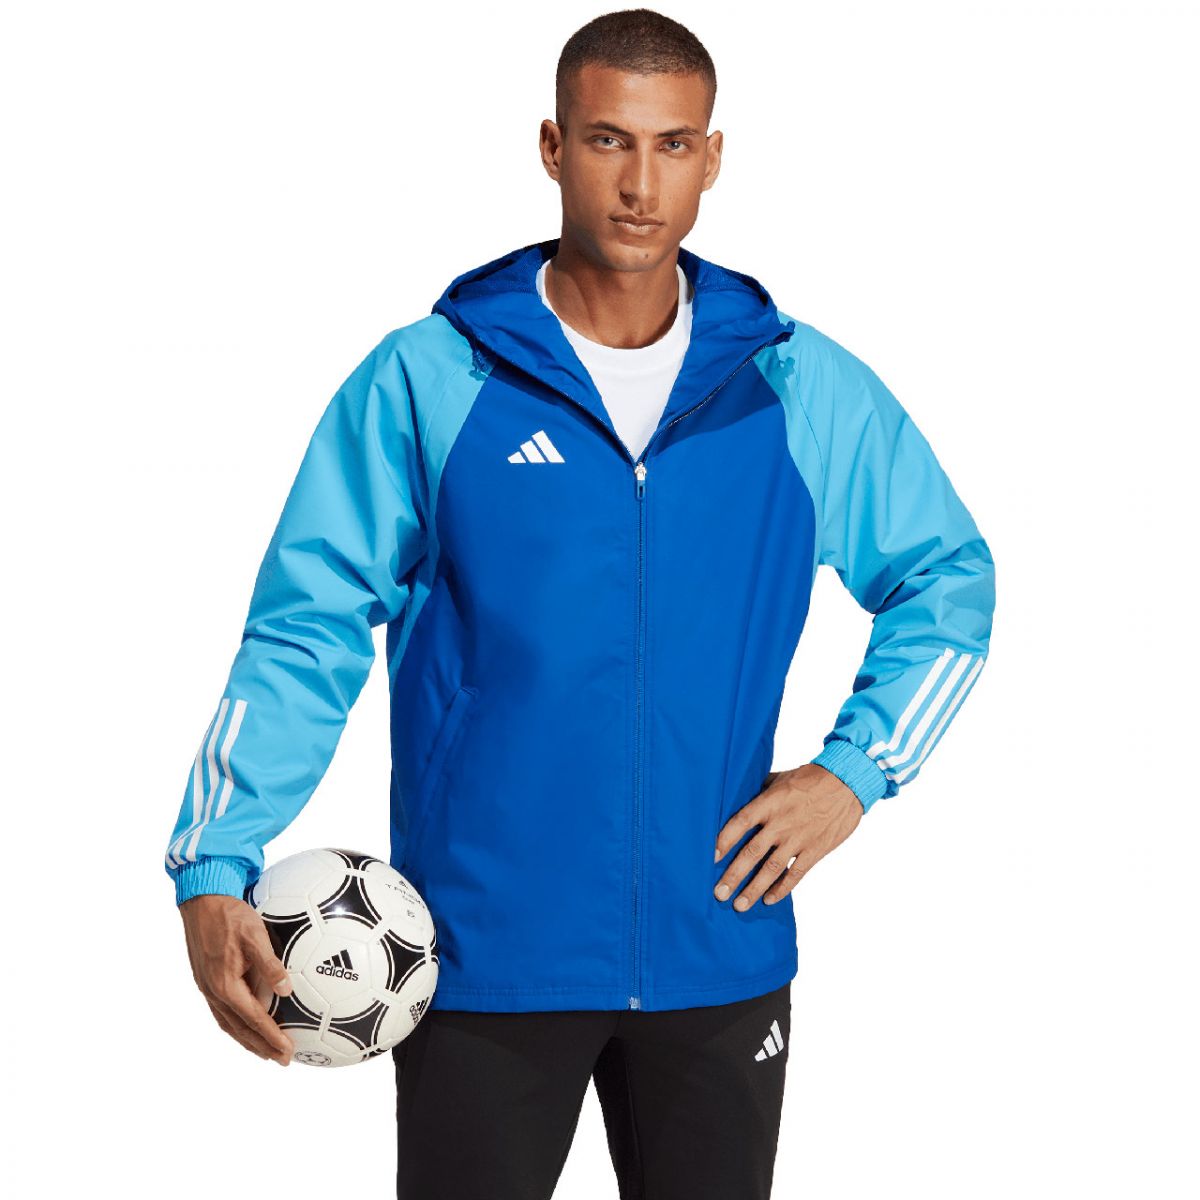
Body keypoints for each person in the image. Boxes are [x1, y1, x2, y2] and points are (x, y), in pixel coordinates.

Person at [165, 9, 996, 1198]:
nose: (641, 185)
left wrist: (854, 773)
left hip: (720, 949)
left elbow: (950, 580)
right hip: (482, 958)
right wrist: (215, 858)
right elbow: (306, 626)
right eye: (610, 141)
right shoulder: (432, 377)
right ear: (554, 148)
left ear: (713, 157)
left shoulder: (795, 388)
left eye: (672, 145)